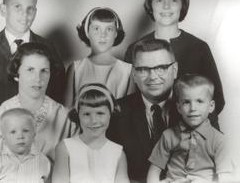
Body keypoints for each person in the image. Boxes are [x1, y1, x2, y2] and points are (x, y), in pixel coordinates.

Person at [124, 0, 224, 129]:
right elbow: (128, 100)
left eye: (174, 0)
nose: (166, 6)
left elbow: (217, 99)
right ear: (150, 5)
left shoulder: (199, 48)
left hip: (193, 133)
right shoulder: (135, 49)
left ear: (182, 5)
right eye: (159, 0)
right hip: (148, 132)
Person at [0, 42, 76, 180]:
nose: (38, 78)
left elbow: (77, 170)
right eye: (30, 70)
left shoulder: (66, 117)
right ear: (17, 74)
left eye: (44, 70)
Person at [107, 39, 180, 183]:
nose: (152, 77)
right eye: (143, 69)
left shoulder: (196, 107)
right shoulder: (116, 112)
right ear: (134, 74)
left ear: (175, 70)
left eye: (161, 68)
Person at [147, 74, 232, 183]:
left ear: (211, 106)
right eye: (186, 102)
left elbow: (226, 178)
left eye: (199, 101)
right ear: (179, 107)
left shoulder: (219, 140)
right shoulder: (168, 135)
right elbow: (154, 171)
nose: (193, 108)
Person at [52, 83, 130, 183]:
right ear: (77, 115)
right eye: (86, 114)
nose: (93, 120)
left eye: (100, 113)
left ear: (111, 114)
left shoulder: (118, 153)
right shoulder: (65, 148)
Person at [64, 7, 135, 107]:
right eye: (96, 29)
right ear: (87, 32)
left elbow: (130, 112)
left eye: (109, 29)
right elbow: (66, 111)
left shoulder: (127, 71)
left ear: (116, 33)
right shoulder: (76, 69)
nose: (103, 35)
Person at [0, 108, 51, 183]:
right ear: (2, 136)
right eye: (13, 132)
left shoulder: (42, 161)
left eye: (25, 130)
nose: (20, 136)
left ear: (34, 133)